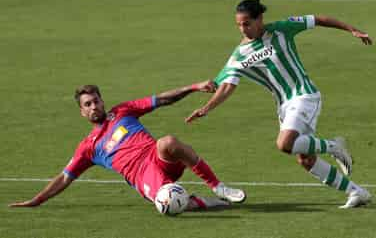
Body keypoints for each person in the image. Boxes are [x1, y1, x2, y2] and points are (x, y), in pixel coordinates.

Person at [186, 0, 372, 209]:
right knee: (306, 160)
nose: (243, 29)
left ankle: (332, 146)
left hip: (305, 96)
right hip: (284, 106)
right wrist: (206, 108)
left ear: (259, 19)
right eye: (238, 25)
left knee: (284, 144)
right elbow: (226, 85)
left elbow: (318, 19)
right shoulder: (239, 55)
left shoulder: (282, 29)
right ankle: (357, 192)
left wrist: (352, 30)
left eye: (246, 23)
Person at [9, 81, 246, 211]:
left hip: (157, 157)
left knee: (168, 142)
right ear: (82, 112)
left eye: (96, 101)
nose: (94, 107)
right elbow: (64, 178)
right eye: (88, 104)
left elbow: (162, 99)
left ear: (103, 101)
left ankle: (217, 187)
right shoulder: (88, 147)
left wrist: (193, 87)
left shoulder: (122, 111)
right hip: (143, 175)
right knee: (170, 203)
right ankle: (202, 202)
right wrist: (37, 200)